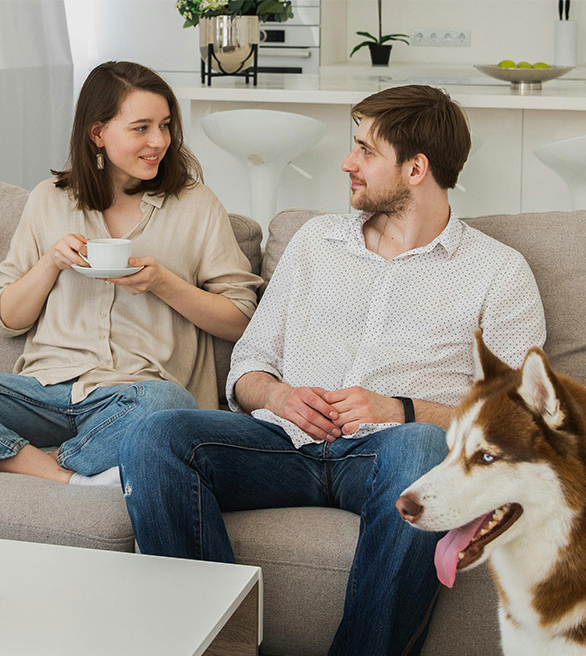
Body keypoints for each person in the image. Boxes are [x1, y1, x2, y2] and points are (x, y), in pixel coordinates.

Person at [117, 85, 546, 654]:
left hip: (386, 457)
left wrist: (399, 410)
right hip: (280, 445)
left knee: (417, 452)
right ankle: (217, 646)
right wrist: (276, 397)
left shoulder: (498, 272)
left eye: (365, 150)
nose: (348, 163)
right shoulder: (316, 241)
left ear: (416, 168)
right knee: (153, 436)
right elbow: (248, 364)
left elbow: (520, 419)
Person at [0, 61, 261, 486]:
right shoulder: (49, 200)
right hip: (42, 391)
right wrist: (51, 263)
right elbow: (6, 318)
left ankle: (56, 460)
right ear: (97, 133)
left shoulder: (197, 205)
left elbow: (240, 321)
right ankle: (61, 472)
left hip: (137, 393)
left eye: (165, 126)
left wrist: (162, 283)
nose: (158, 141)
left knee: (167, 405)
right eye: (141, 128)